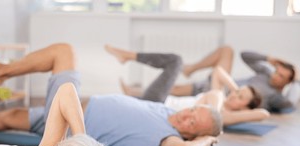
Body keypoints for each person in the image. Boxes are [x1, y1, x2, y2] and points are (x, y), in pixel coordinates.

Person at [0, 43, 222, 146]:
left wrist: (209, 137)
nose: (187, 116)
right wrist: (208, 119)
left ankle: (2, 72)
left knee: (63, 52)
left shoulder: (168, 140)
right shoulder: (168, 111)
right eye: (192, 111)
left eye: (192, 123)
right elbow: (213, 99)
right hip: (69, 108)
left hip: (70, 122)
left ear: (190, 135)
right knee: (13, 117)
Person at [105, 45, 270, 126]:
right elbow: (218, 71)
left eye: (240, 97)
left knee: (175, 61)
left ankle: (127, 56)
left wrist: (245, 111)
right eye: (237, 92)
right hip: (158, 102)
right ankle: (132, 90)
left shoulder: (221, 115)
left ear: (245, 107)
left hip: (157, 105)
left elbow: (263, 114)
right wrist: (236, 90)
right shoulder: (217, 97)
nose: (234, 94)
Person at [170, 45, 297, 113]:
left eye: (281, 76)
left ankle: (189, 70)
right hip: (217, 83)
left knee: (227, 51)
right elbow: (244, 55)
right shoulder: (266, 73)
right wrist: (268, 59)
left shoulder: (276, 97)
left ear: (288, 82)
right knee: (172, 90)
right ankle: (191, 69)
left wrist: (297, 79)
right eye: (276, 71)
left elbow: (290, 102)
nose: (275, 76)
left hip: (221, 95)